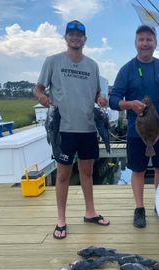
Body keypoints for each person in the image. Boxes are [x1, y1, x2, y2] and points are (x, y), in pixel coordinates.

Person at [34, 20, 110, 239]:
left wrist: (101, 99)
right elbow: (38, 88)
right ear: (66, 37)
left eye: (79, 34)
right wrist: (42, 97)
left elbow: (96, 94)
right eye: (72, 34)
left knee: (87, 172)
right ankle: (61, 219)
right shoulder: (53, 61)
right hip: (62, 129)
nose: (75, 37)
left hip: (88, 128)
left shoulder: (92, 65)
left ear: (85, 39)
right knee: (64, 175)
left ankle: (90, 212)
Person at [109, 24, 159, 228]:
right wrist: (129, 104)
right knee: (138, 170)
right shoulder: (126, 69)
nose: (145, 43)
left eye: (149, 39)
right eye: (141, 40)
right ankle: (139, 209)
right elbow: (114, 99)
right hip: (136, 130)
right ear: (135, 43)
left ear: (155, 43)